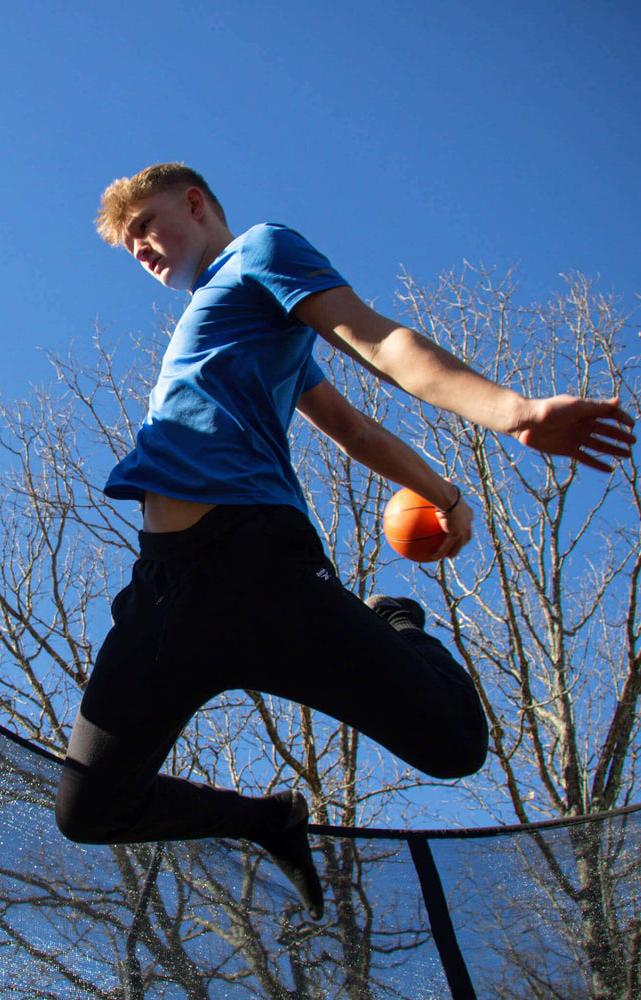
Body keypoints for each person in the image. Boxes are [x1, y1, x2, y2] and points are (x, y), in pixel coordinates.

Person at [54, 163, 635, 918]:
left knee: (455, 745)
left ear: (194, 203)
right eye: (127, 245)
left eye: (144, 226)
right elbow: (354, 430)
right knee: (90, 810)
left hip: (254, 564)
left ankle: (398, 624)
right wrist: (445, 494)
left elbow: (380, 340)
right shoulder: (234, 323)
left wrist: (512, 413)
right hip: (165, 594)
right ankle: (270, 821)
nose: (139, 249)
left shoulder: (260, 251)